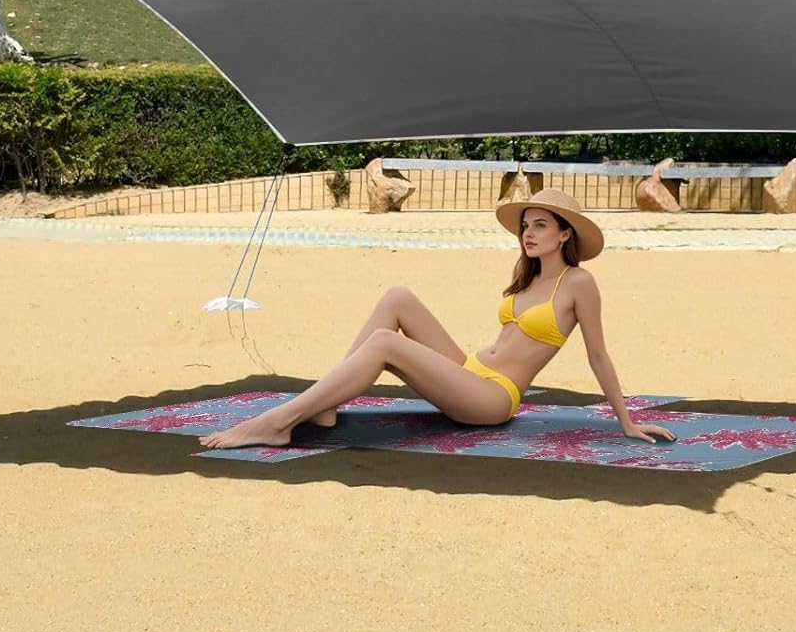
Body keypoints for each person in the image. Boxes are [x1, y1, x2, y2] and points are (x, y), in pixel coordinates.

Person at [199, 188, 678, 450]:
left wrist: (626, 422)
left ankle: (279, 422)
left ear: (564, 234)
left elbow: (598, 355)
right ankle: (323, 405)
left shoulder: (578, 284)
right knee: (398, 297)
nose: (528, 234)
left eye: (540, 226)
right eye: (525, 226)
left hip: (493, 398)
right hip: (472, 370)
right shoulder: (527, 275)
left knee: (385, 343)